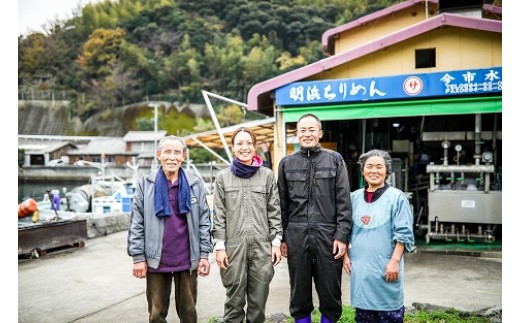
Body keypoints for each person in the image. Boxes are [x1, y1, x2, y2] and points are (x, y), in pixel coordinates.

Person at [127, 135, 213, 323]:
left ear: (183, 156)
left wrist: (204, 254)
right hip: (156, 259)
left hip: (187, 257)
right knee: (156, 314)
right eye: (167, 152)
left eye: (177, 153)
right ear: (159, 155)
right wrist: (138, 258)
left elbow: (204, 221)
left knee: (189, 313)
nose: (172, 157)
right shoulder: (145, 184)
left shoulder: (194, 184)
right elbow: (136, 222)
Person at [277, 113, 353, 323]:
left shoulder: (335, 160)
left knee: (330, 289)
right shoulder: (286, 164)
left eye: (312, 130)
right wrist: (282, 237)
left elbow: (343, 201)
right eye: (303, 130)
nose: (307, 134)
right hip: (296, 235)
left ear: (320, 133)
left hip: (328, 235)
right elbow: (282, 203)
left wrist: (342, 235)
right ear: (296, 134)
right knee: (299, 290)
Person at [212, 127, 283, 323]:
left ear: (254, 146)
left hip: (262, 247)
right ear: (233, 147)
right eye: (240, 143)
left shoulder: (267, 175)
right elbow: (219, 214)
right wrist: (219, 247)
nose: (245, 147)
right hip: (233, 247)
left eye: (249, 143)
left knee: (258, 303)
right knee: (234, 303)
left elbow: (274, 211)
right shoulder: (222, 178)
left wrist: (276, 242)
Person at [344, 149, 415, 323]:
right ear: (362, 171)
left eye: (379, 167)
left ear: (386, 171)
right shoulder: (353, 198)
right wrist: (345, 255)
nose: (373, 171)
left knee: (388, 314)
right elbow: (344, 228)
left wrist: (394, 261)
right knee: (363, 317)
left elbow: (404, 234)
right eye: (369, 166)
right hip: (361, 273)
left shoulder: (397, 197)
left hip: (387, 269)